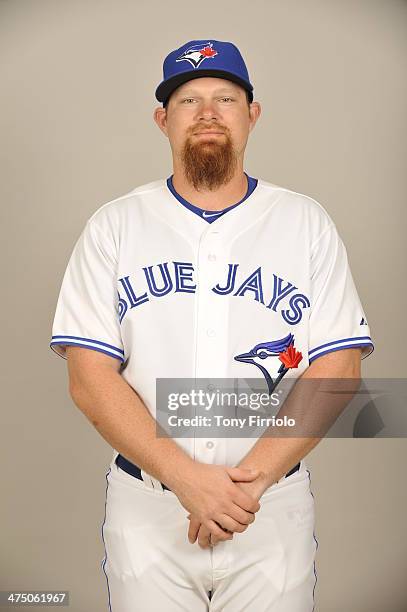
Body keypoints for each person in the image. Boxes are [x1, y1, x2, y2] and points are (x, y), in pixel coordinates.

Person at [50, 39, 374, 611]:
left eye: (225, 98)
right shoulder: (115, 226)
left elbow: (338, 366)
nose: (207, 113)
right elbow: (90, 376)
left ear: (252, 115)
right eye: (188, 99)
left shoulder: (304, 222)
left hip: (269, 504)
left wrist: (249, 483)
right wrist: (187, 478)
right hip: (148, 506)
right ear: (162, 119)